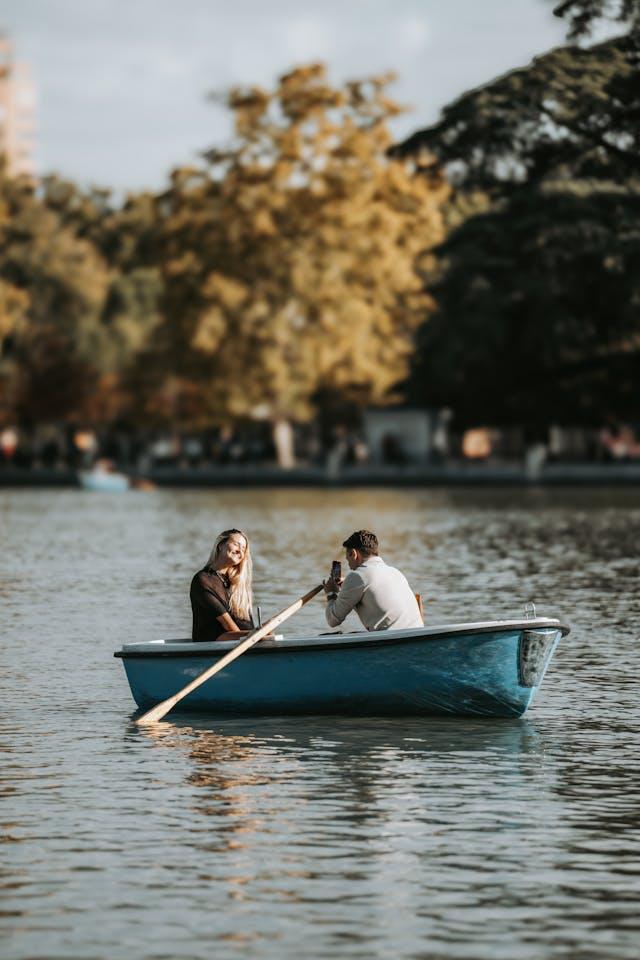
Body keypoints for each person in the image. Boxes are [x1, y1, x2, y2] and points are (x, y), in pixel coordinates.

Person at [324, 530, 423, 632]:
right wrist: (346, 586)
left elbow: (332, 620)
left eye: (347, 558)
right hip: (418, 633)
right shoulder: (396, 572)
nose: (348, 564)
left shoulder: (357, 576)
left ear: (354, 554)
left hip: (393, 639)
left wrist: (331, 593)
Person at [190, 529, 254, 642]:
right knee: (263, 635)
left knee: (268, 632)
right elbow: (229, 626)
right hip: (213, 641)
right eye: (236, 544)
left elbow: (247, 626)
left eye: (243, 549)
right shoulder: (202, 580)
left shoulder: (237, 585)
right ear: (220, 545)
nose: (240, 551)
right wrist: (254, 637)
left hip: (239, 639)